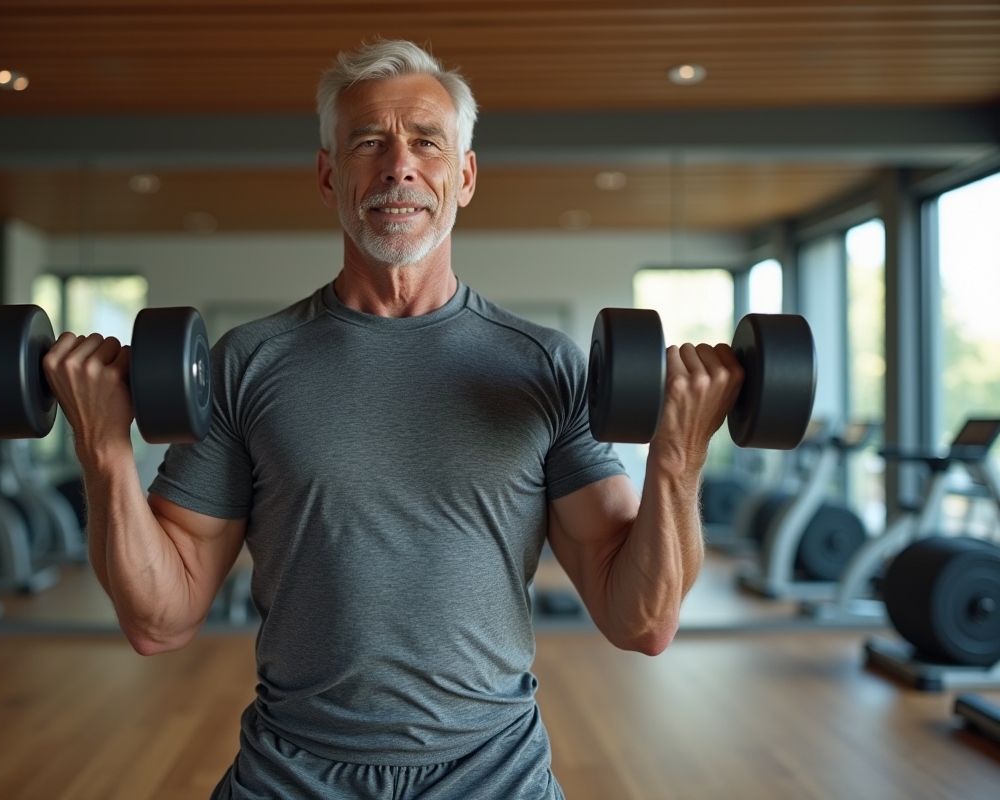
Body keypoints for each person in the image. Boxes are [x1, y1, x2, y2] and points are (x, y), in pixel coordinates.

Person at [43, 39, 744, 800]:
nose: (398, 165)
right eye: (369, 141)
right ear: (328, 175)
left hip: (493, 776)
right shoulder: (247, 364)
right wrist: (104, 450)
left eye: (427, 142)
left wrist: (678, 459)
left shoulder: (546, 367)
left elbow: (641, 620)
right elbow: (160, 621)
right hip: (293, 775)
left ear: (465, 177)